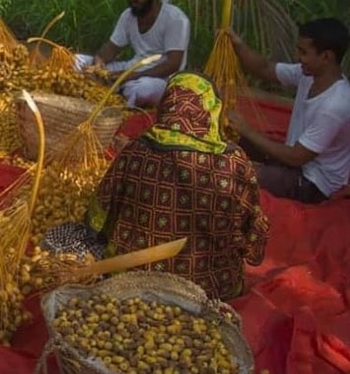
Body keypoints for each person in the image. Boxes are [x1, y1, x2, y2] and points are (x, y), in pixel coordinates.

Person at [44, 72, 268, 300]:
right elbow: (253, 233)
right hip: (212, 287)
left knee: (62, 236)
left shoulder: (137, 150)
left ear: (166, 105)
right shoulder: (233, 162)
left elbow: (99, 215)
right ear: (210, 111)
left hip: (133, 280)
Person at [227, 18, 350, 204]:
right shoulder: (308, 74)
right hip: (294, 159)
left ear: (326, 57)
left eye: (303, 52)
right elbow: (265, 69)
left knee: (235, 172)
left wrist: (247, 130)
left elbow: (296, 157)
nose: (296, 56)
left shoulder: (335, 106)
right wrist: (237, 44)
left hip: (313, 183)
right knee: (229, 137)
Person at [75, 0, 190, 108]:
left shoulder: (175, 19)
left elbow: (173, 64)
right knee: (76, 61)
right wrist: (98, 62)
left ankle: (117, 89)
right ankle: (116, 87)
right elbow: (111, 48)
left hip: (160, 80)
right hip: (130, 71)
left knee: (142, 91)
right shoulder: (128, 16)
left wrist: (131, 76)